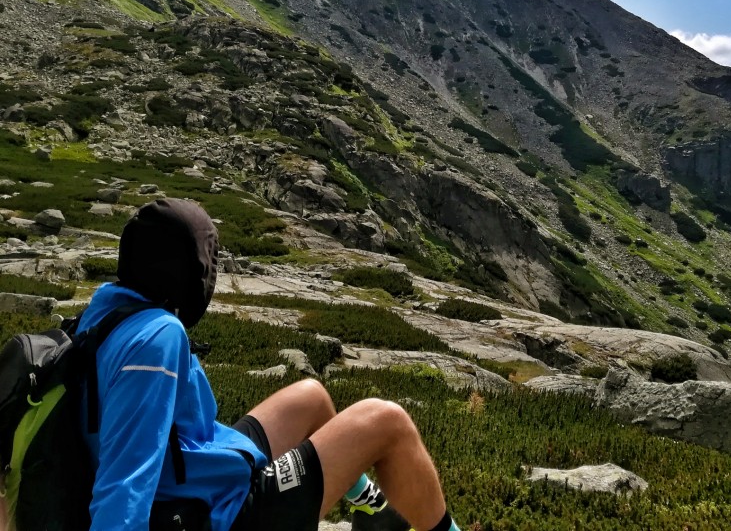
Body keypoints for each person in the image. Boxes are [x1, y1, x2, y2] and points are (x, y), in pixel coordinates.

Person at [78, 197, 461, 531]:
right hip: (211, 514)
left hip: (194, 470)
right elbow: (125, 484)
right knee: (386, 421)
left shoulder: (106, 311)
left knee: (310, 398)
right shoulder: (157, 337)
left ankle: (374, 510)